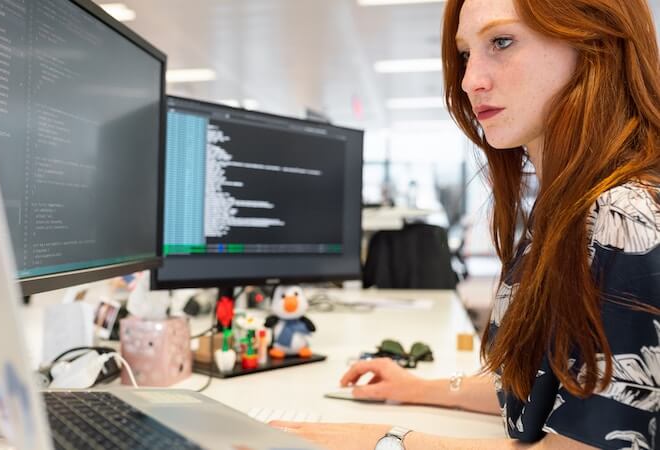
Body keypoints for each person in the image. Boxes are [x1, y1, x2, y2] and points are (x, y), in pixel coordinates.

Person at [271, 0, 660, 448]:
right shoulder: (568, 209)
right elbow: (544, 388)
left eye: (501, 41)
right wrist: (414, 389)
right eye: (465, 54)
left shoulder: (627, 215)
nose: (470, 80)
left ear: (596, 43)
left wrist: (387, 441)